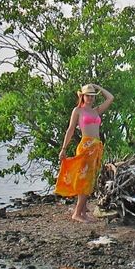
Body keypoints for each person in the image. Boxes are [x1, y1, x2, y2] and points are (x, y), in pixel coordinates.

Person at [55, 83, 114, 223]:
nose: (91, 98)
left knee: (89, 180)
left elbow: (110, 98)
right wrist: (63, 148)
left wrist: (98, 87)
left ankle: (81, 212)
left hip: (95, 148)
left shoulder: (95, 111)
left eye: (93, 96)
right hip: (85, 146)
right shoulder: (78, 111)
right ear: (82, 96)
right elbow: (70, 130)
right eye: (88, 95)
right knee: (84, 179)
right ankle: (77, 213)